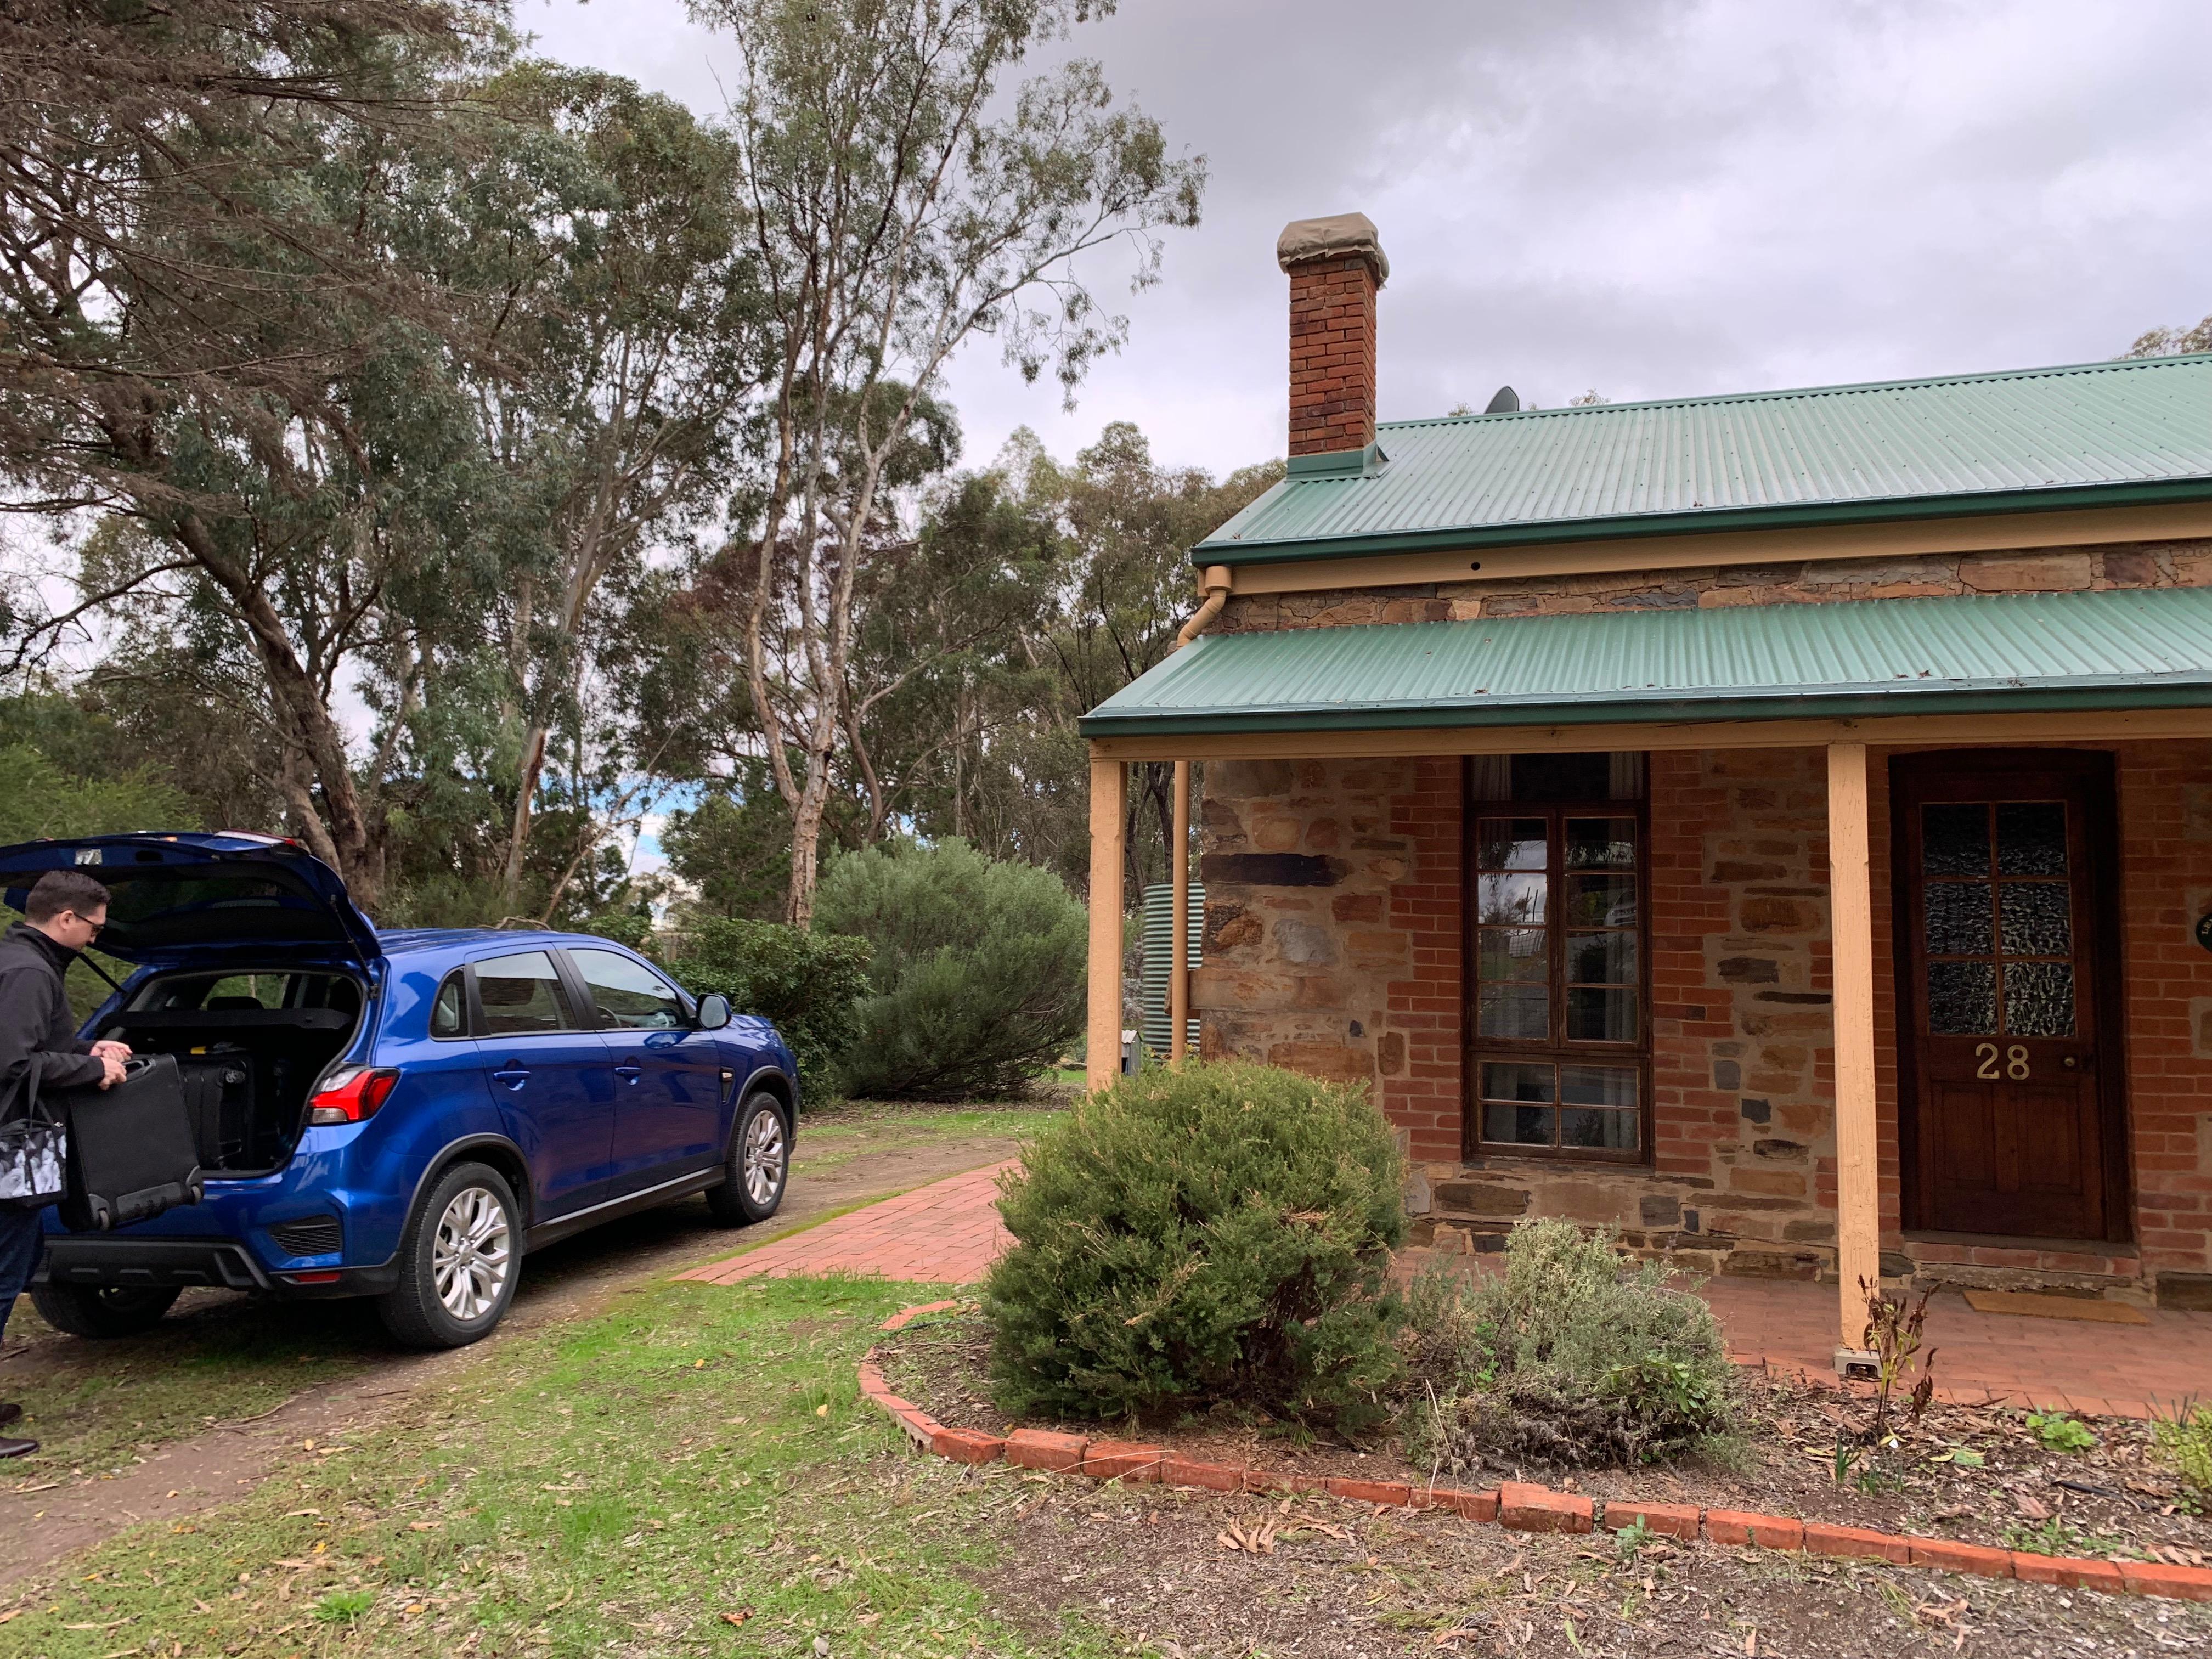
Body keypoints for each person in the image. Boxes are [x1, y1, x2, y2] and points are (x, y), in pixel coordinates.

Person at [0, 870, 130, 1459]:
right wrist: (90, 1071)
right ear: (67, 919)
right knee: (3, 1277)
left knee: (19, 1263)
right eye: (94, 929)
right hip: (8, 1149)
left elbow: (30, 1045)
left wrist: (86, 1047)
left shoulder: (17, 963)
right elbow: (13, 1065)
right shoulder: (28, 973)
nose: (96, 941)